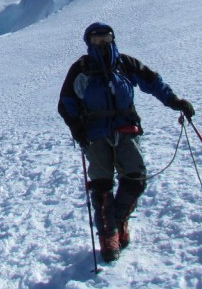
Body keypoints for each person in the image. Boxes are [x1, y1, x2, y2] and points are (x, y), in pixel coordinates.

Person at [58, 22, 194, 262]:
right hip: (95, 133)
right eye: (96, 40)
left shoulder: (124, 64)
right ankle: (108, 235)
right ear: (88, 43)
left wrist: (174, 101)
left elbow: (153, 82)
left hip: (126, 129)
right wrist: (76, 127)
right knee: (101, 186)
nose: (101, 44)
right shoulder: (81, 69)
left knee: (135, 178)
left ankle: (118, 220)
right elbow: (66, 102)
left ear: (113, 39)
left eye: (105, 39)